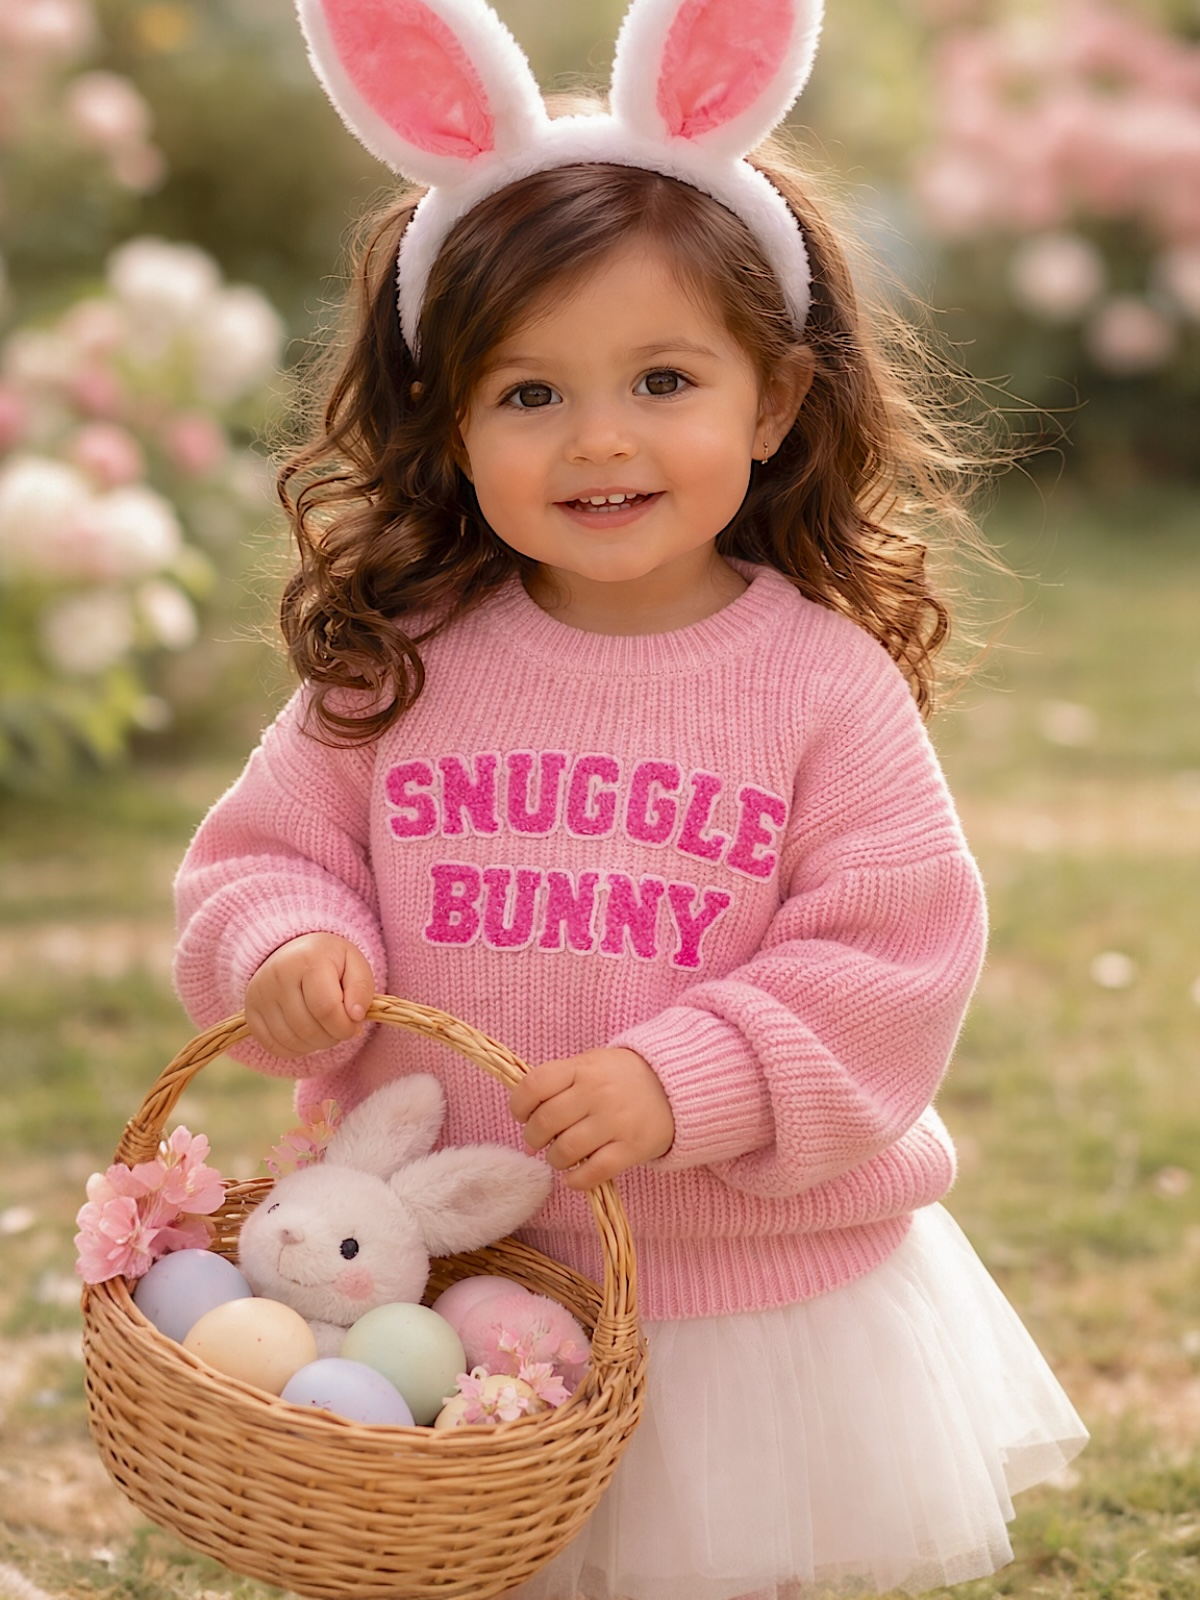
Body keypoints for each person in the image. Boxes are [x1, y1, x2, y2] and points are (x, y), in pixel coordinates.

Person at [173, 0, 1087, 1594]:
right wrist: (282, 946)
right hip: (448, 1268)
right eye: (529, 395)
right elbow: (265, 854)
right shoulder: (402, 665)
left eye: (664, 379)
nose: (600, 439)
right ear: (450, 424)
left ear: (777, 400)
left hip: (735, 1302)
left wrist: (690, 1080)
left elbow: (890, 957)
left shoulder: (815, 684)